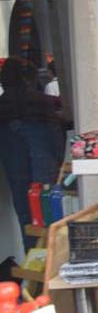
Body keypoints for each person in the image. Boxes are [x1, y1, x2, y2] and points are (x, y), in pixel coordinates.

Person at [0, 57, 65, 251]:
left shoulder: (2, 106)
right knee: (47, 208)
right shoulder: (44, 102)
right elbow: (56, 135)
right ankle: (52, 256)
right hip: (45, 162)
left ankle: (32, 257)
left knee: (25, 212)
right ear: (28, 78)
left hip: (14, 164)